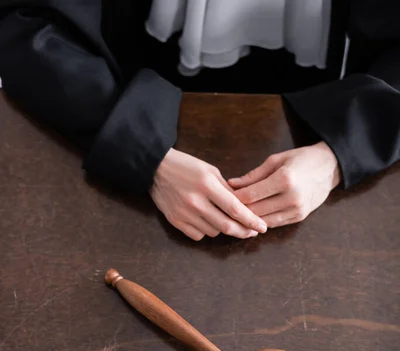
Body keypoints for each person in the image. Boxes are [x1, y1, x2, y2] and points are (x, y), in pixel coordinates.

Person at [0, 1, 399, 241]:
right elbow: (23, 23)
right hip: (116, 101)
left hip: (313, 134)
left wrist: (338, 153)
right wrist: (144, 152)